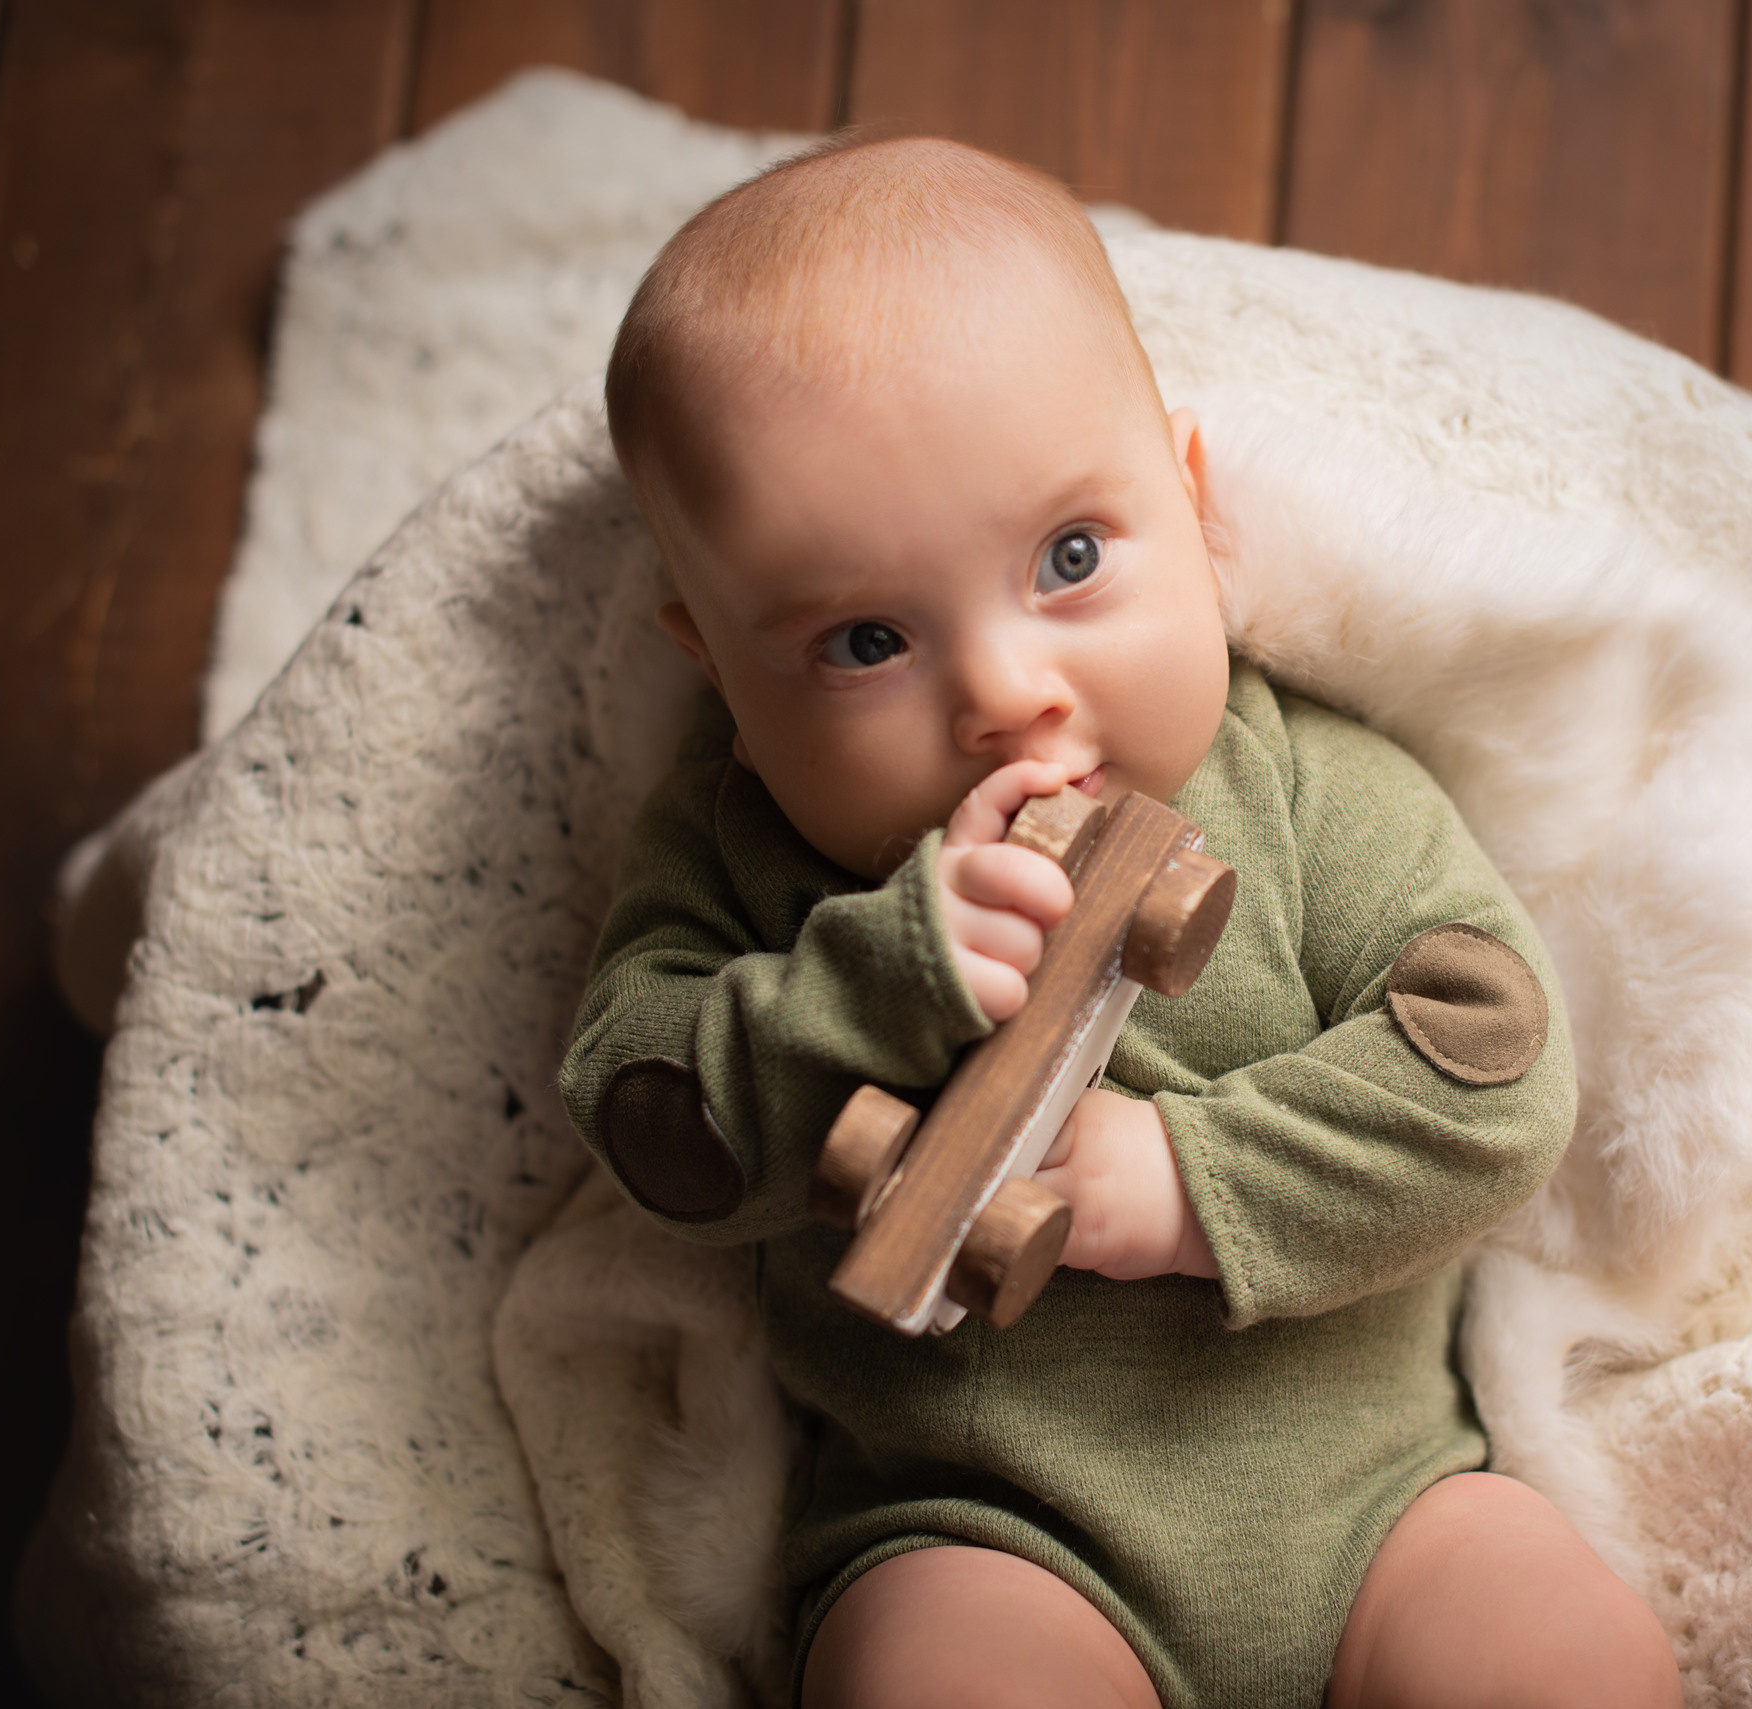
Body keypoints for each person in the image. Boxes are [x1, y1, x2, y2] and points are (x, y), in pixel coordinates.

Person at [558, 134, 1680, 1709]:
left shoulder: (1300, 785)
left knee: (1573, 1662)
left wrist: (1190, 1178)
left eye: (1070, 559)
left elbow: (1497, 1075)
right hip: (985, 1535)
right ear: (719, 670)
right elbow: (648, 1118)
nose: (1008, 691)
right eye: (866, 638)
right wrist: (876, 976)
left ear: (1194, 503)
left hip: (1384, 1516)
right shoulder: (755, 852)